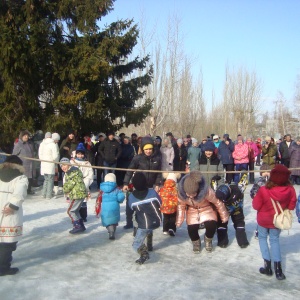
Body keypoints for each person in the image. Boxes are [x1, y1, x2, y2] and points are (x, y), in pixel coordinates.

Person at [252, 164, 297, 280]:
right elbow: (292, 206)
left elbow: (255, 205)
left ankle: (267, 266)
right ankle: (278, 270)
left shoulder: (263, 190)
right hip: (277, 220)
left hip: (263, 219)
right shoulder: (291, 190)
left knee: (262, 238)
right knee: (274, 240)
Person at [176, 171, 229, 253]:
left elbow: (217, 202)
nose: (191, 196)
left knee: (211, 225)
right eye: (188, 194)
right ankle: (196, 242)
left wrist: (224, 216)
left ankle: (208, 239)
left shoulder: (206, 191)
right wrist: (179, 220)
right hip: (192, 210)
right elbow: (181, 206)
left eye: (193, 194)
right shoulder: (181, 194)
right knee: (191, 229)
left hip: (207, 208)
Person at [123, 136, 162, 229]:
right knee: (134, 204)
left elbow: (159, 172)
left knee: (148, 206)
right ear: (143, 149)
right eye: (146, 149)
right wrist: (125, 183)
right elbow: (130, 170)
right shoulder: (138, 158)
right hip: (139, 185)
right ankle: (130, 223)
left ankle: (149, 223)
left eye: (150, 149)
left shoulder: (157, 158)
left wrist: (157, 184)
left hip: (150, 186)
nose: (148, 151)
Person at [0, 155, 28, 276]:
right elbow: (19, 193)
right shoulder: (21, 178)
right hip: (9, 212)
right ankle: (3, 267)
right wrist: (12, 206)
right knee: (8, 242)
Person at [128, 172, 162, 264]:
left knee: (135, 244)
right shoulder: (152, 192)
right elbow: (160, 202)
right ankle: (149, 245)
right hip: (156, 220)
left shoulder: (132, 197)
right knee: (149, 224)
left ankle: (144, 254)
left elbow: (131, 208)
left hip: (144, 225)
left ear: (134, 184)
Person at [215, 184, 249, 248]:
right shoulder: (223, 191)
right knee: (222, 223)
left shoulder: (237, 193)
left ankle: (242, 241)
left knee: (239, 223)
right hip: (228, 208)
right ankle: (223, 242)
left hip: (235, 208)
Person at [60, 157, 87, 234]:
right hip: (79, 193)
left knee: (70, 211)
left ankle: (77, 226)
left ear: (69, 165)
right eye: (62, 166)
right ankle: (81, 225)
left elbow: (70, 184)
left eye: (65, 165)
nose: (63, 167)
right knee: (75, 211)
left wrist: (64, 189)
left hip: (77, 194)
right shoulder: (72, 171)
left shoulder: (72, 171)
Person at [70, 143, 94, 222]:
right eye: (78, 154)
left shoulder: (87, 163)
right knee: (75, 201)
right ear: (76, 154)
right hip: (75, 184)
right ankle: (76, 216)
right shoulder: (72, 162)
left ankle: (83, 216)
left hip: (84, 184)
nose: (80, 156)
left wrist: (86, 183)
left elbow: (90, 175)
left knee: (83, 202)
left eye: (81, 154)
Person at [100, 173, 125, 240]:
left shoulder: (102, 190)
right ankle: (112, 231)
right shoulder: (117, 190)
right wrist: (119, 201)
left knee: (107, 220)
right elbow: (121, 197)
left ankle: (110, 231)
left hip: (105, 208)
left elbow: (99, 198)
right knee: (113, 220)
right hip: (114, 207)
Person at [12, 130, 35, 194]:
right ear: (21, 136)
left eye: (27, 135)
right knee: (23, 178)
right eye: (25, 136)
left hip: (30, 164)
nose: (26, 137)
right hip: (23, 164)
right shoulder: (18, 144)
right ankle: (22, 190)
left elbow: (32, 152)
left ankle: (29, 190)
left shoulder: (30, 143)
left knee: (30, 177)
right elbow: (14, 155)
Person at [38, 132, 60, 199]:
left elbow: (40, 154)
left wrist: (42, 159)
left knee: (46, 179)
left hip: (44, 163)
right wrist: (55, 161)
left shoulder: (42, 143)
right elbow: (55, 155)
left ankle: (43, 194)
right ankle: (48, 195)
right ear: (51, 137)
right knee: (50, 179)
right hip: (50, 163)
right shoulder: (52, 144)